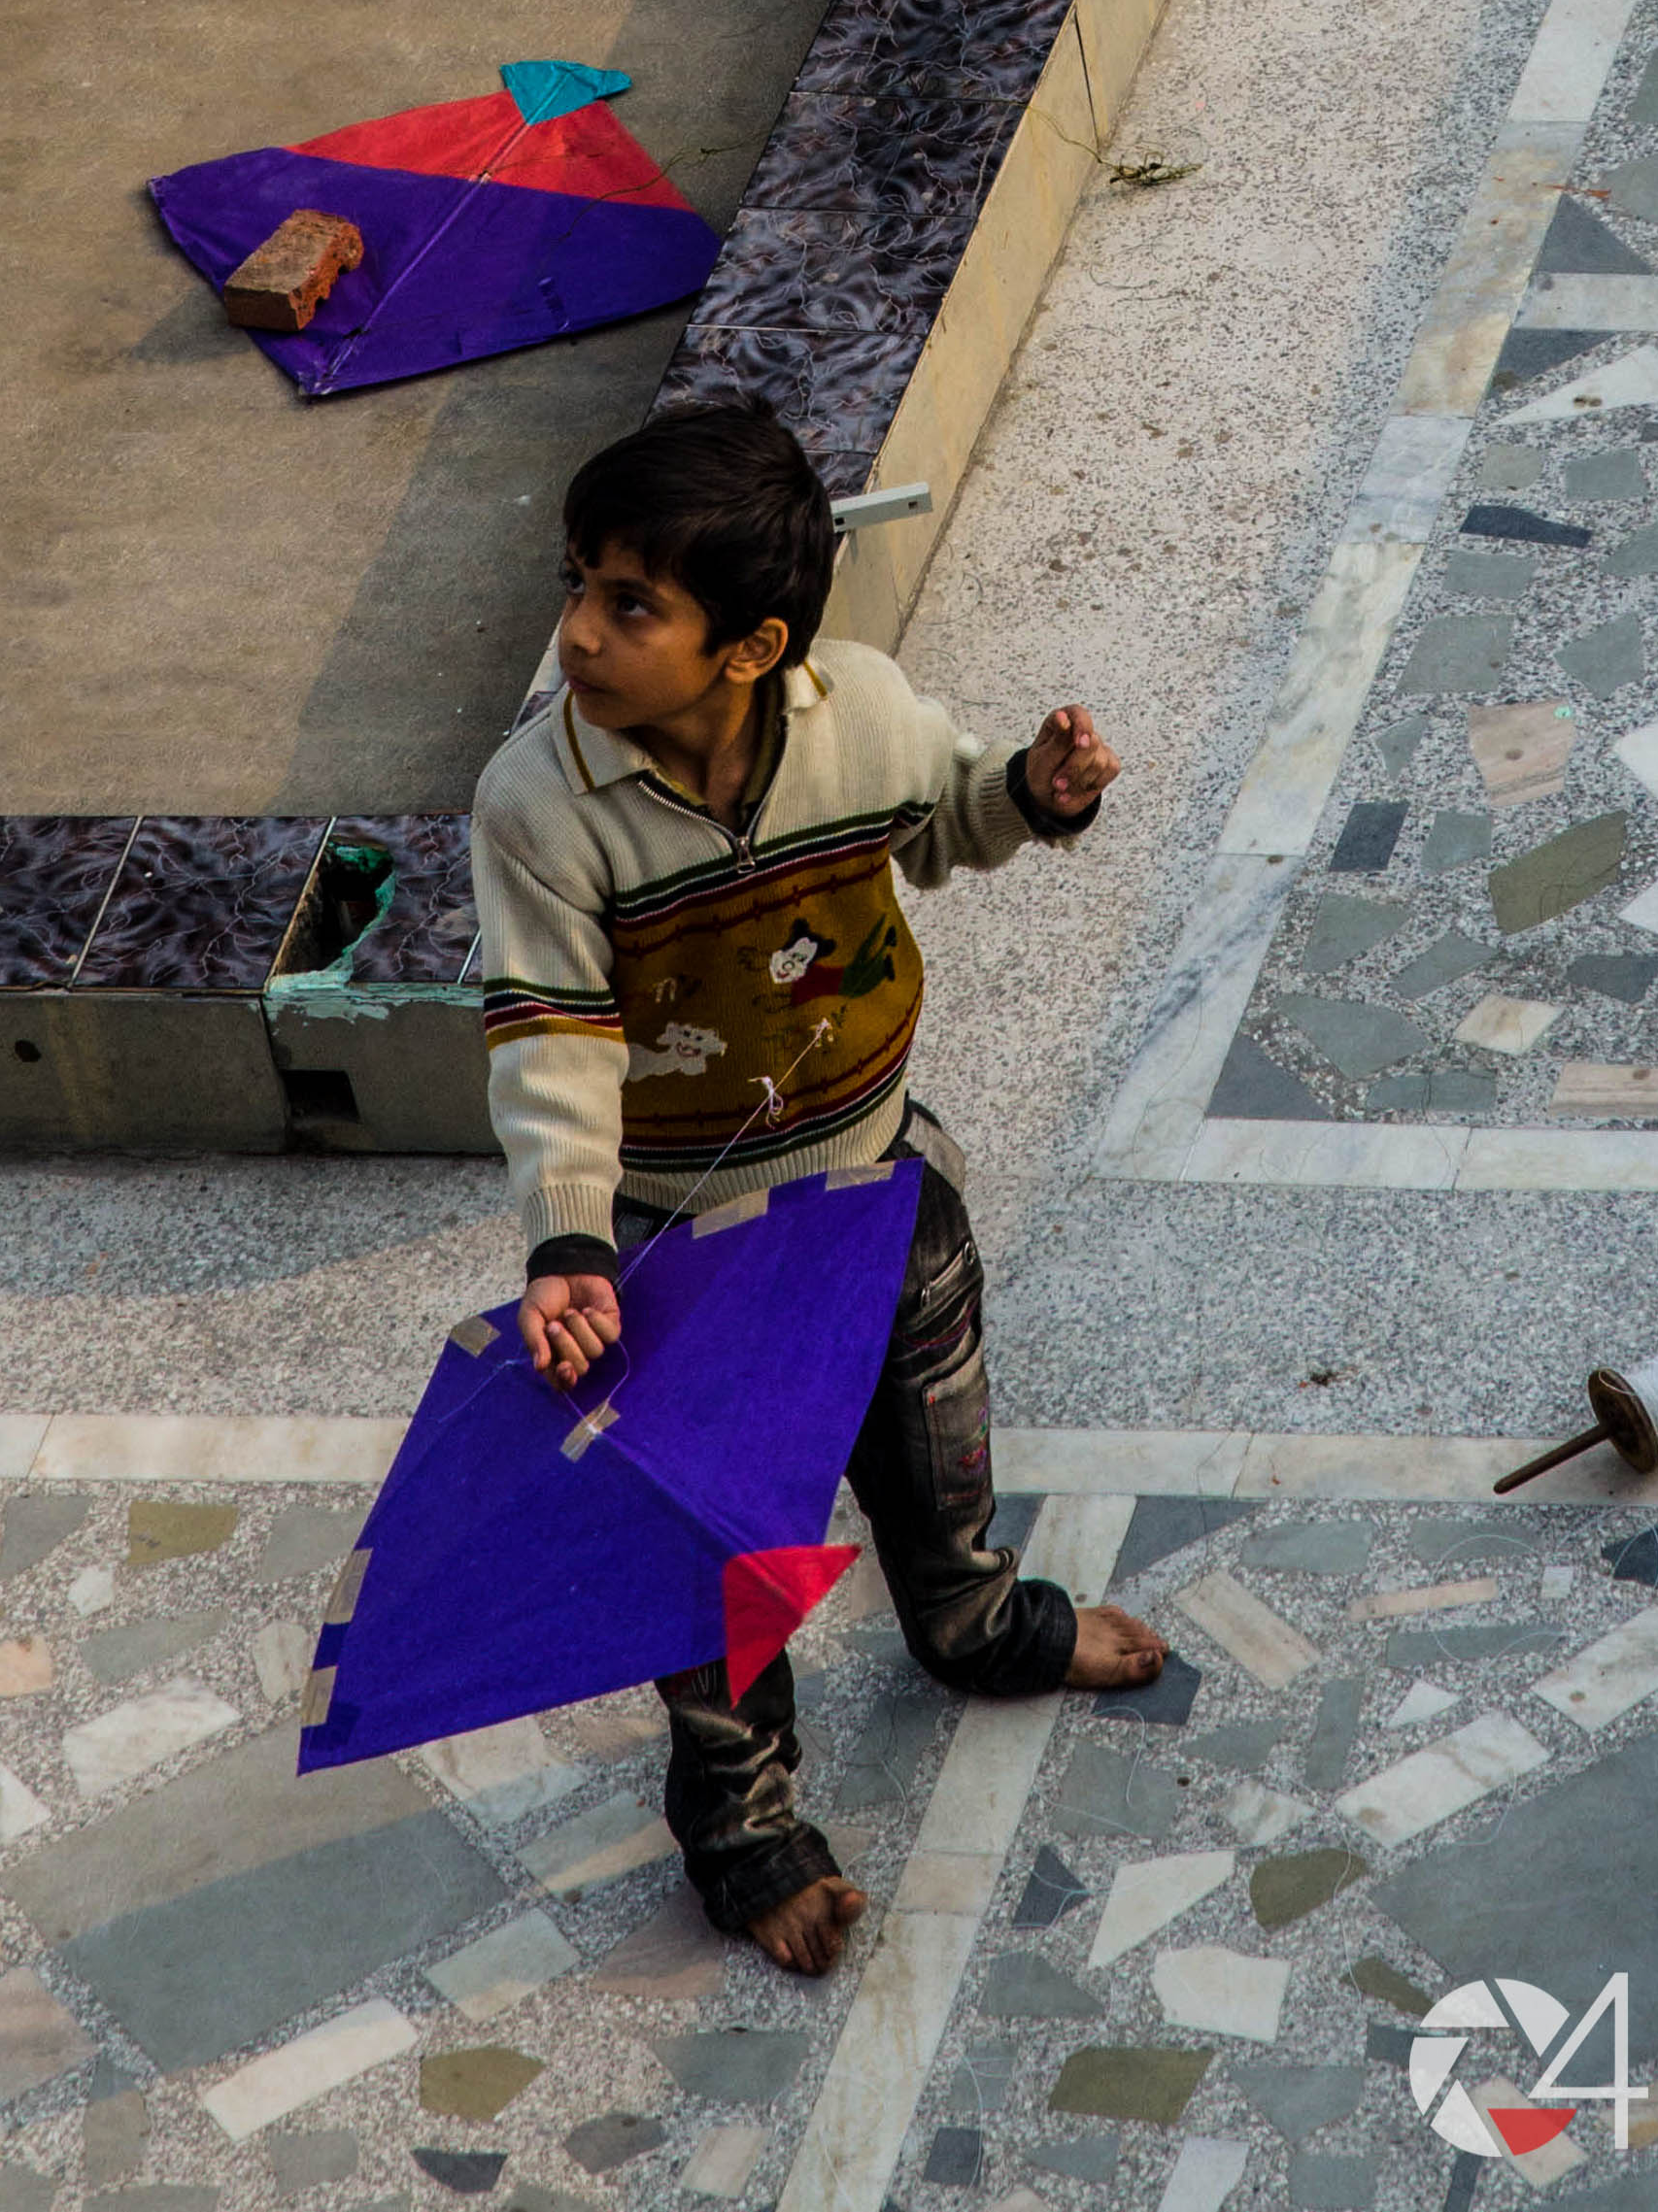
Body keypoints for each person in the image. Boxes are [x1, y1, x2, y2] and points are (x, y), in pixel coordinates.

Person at [470, 396, 1167, 1976]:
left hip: (883, 1185)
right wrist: (569, 1236)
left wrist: (1037, 791)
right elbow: (552, 1034)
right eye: (576, 581)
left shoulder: (863, 713)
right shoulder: (537, 806)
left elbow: (948, 814)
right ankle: (743, 1828)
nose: (576, 632)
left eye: (628, 602)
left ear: (754, 647)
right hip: (677, 1248)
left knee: (938, 1452)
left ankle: (971, 1622)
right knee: (719, 1553)